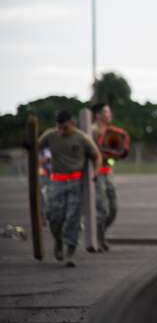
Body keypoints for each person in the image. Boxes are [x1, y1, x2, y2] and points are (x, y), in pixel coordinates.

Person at [39, 110, 101, 267]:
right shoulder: (51, 135)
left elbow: (96, 156)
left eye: (65, 128)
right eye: (59, 127)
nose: (62, 131)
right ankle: (58, 240)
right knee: (54, 215)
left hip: (75, 181)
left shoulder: (82, 138)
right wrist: (29, 145)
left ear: (72, 124)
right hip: (57, 181)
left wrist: (96, 173)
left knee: (73, 217)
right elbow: (35, 146)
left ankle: (70, 252)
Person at [91, 103, 128, 251]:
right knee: (102, 210)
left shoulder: (111, 132)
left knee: (113, 208)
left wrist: (120, 153)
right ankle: (97, 238)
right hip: (97, 174)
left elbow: (114, 154)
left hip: (108, 172)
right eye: (106, 111)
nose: (109, 114)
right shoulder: (92, 131)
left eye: (109, 111)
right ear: (98, 115)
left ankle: (101, 234)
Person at [38, 147, 52, 225]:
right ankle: (44, 218)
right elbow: (40, 160)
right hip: (44, 174)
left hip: (55, 174)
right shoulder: (42, 148)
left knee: (52, 197)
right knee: (42, 196)